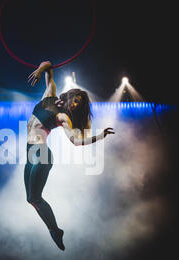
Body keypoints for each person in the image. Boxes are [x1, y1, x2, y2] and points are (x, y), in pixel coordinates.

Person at [25, 61, 114, 250]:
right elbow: (48, 65)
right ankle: (55, 230)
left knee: (36, 197)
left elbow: (75, 141)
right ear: (70, 96)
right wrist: (41, 70)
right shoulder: (49, 94)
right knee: (31, 199)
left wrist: (99, 136)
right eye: (75, 100)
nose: (74, 104)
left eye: (78, 104)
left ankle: (55, 230)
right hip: (30, 154)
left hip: (42, 153)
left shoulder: (63, 118)